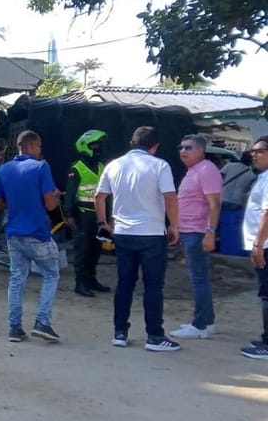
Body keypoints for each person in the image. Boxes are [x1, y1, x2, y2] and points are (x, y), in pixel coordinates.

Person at [95, 126, 180, 351]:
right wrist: (174, 225)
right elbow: (170, 197)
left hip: (123, 233)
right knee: (153, 286)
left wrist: (103, 222)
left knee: (124, 284)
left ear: (132, 143)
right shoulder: (160, 165)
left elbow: (99, 195)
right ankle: (154, 336)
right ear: (155, 146)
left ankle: (120, 332)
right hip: (152, 233)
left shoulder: (114, 165)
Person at [0, 130, 62, 343]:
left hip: (13, 233)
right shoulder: (41, 167)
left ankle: (14, 328)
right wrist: (57, 197)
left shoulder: (4, 169)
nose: (40, 151)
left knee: (17, 279)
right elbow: (50, 204)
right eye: (39, 147)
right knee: (51, 274)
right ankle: (42, 322)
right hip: (37, 233)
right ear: (32, 146)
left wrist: (18, 202)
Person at [170, 134, 223, 339]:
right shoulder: (194, 170)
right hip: (189, 230)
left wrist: (210, 232)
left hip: (198, 231)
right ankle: (207, 322)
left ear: (201, 150)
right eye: (181, 147)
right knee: (198, 277)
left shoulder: (207, 170)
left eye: (189, 147)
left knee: (199, 279)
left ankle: (200, 325)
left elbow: (214, 203)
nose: (183, 150)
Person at [64, 130, 112, 297]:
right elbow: (70, 193)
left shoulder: (101, 166)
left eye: (99, 145)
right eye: (94, 145)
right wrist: (69, 215)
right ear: (84, 146)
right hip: (82, 215)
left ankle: (92, 280)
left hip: (98, 217)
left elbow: (107, 194)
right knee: (82, 251)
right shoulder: (76, 168)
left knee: (95, 249)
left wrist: (108, 217)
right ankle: (80, 283)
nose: (97, 148)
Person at [240, 136, 268, 359]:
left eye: (260, 151)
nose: (254, 154)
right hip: (262, 244)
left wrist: (258, 245)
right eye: (253, 151)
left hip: (266, 245)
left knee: (267, 294)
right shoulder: (262, 177)